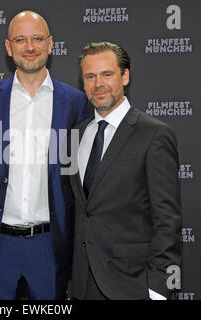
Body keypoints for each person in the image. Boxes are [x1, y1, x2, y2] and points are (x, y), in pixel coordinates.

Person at [0, 11, 89, 299]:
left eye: (37, 38)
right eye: (20, 39)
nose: (30, 46)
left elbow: (81, 175)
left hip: (49, 244)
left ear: (50, 44)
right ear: (9, 47)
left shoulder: (75, 102)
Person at [70, 41, 181, 300]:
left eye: (107, 74)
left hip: (133, 285)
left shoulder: (154, 134)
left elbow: (167, 220)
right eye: (90, 76)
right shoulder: (75, 136)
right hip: (82, 284)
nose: (98, 84)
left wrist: (158, 289)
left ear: (125, 76)